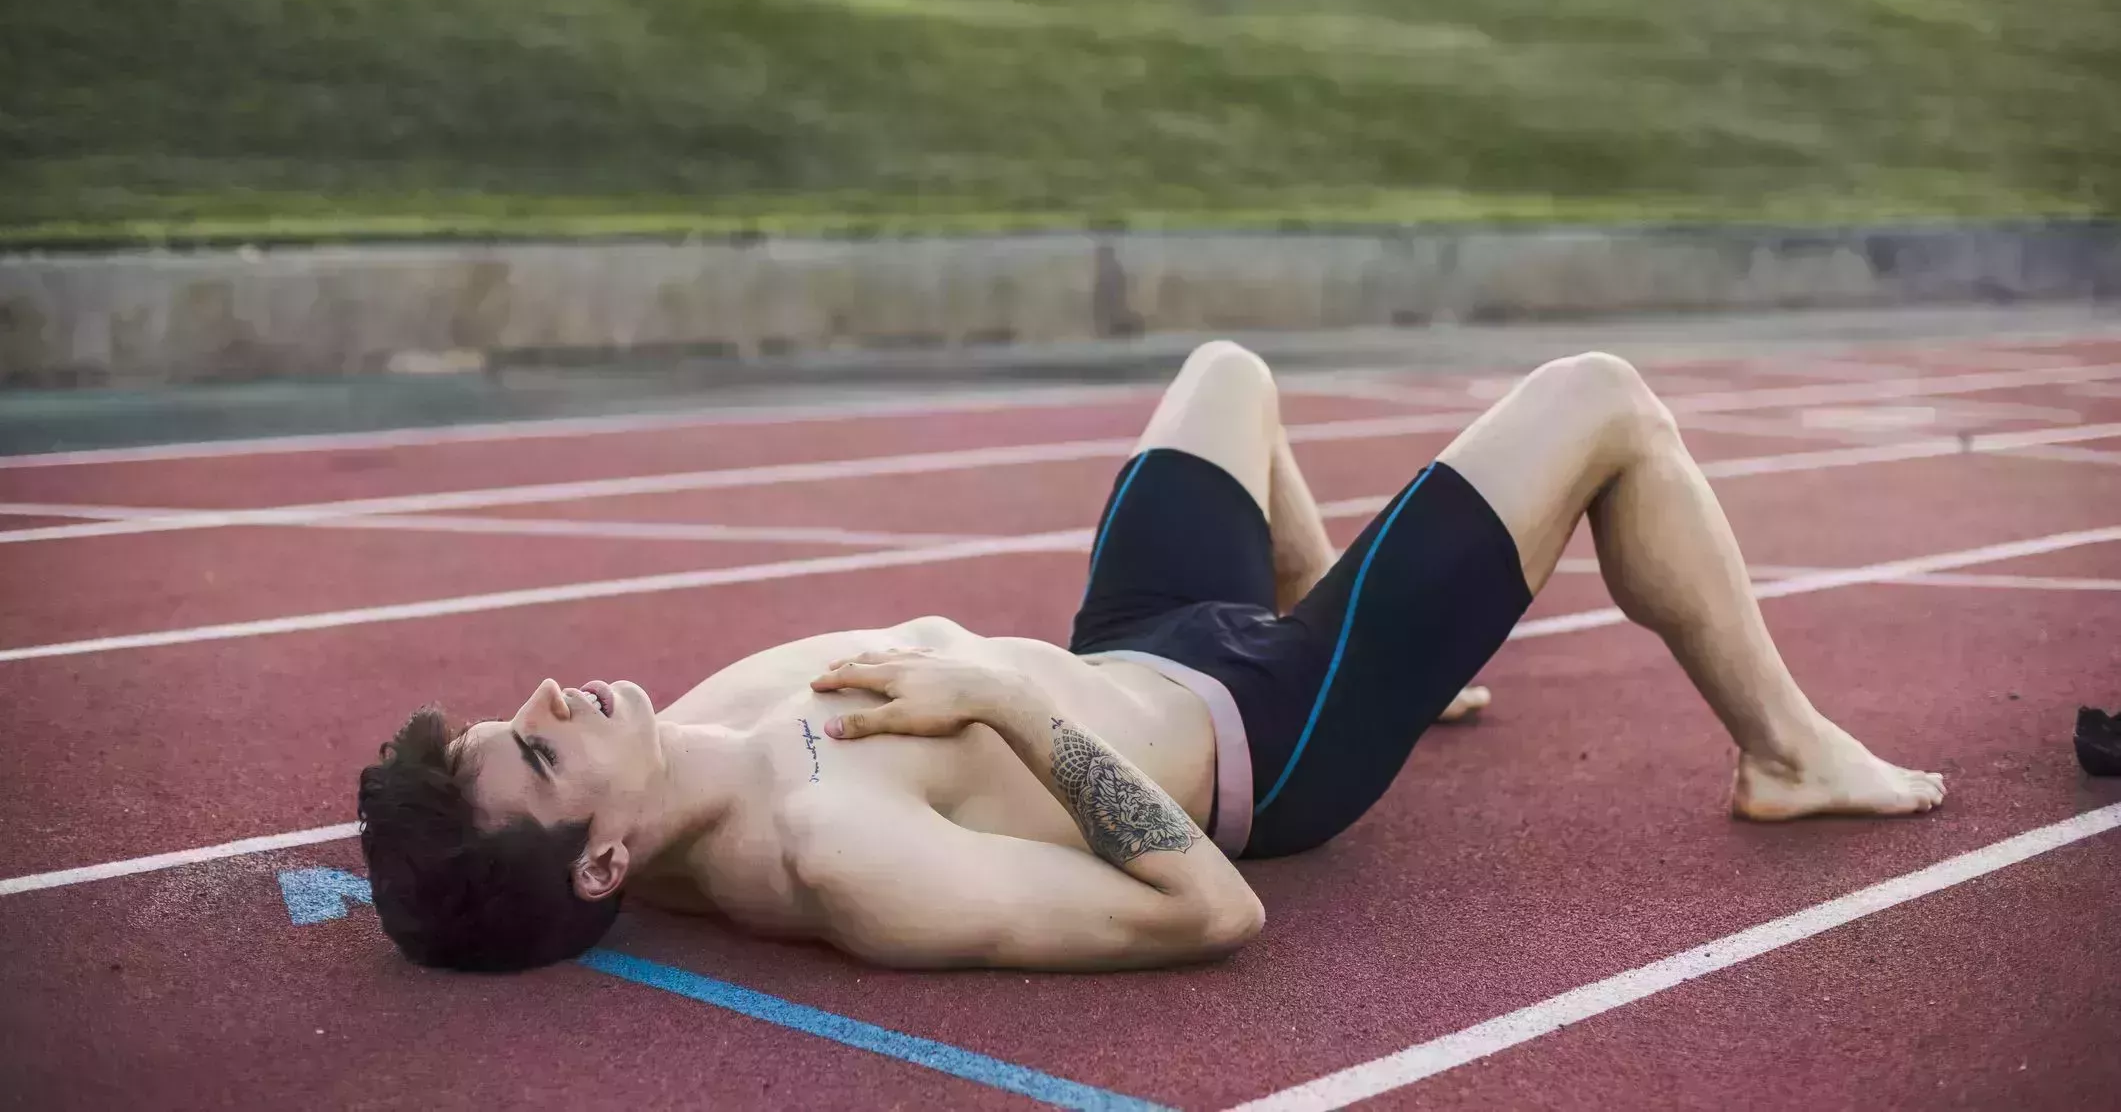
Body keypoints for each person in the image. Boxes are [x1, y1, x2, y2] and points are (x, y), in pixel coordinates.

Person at [357, 344, 1945, 973]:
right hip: (1272, 733)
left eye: (524, 715)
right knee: (1603, 401)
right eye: (547, 749)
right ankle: (1790, 749)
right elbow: (1211, 908)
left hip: (1146, 643)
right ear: (601, 861)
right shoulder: (844, 856)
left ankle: (1372, 613)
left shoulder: (685, 739)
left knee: (1229, 374)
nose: (556, 693)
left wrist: (1031, 681)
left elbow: (495, 852)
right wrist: (1002, 693)